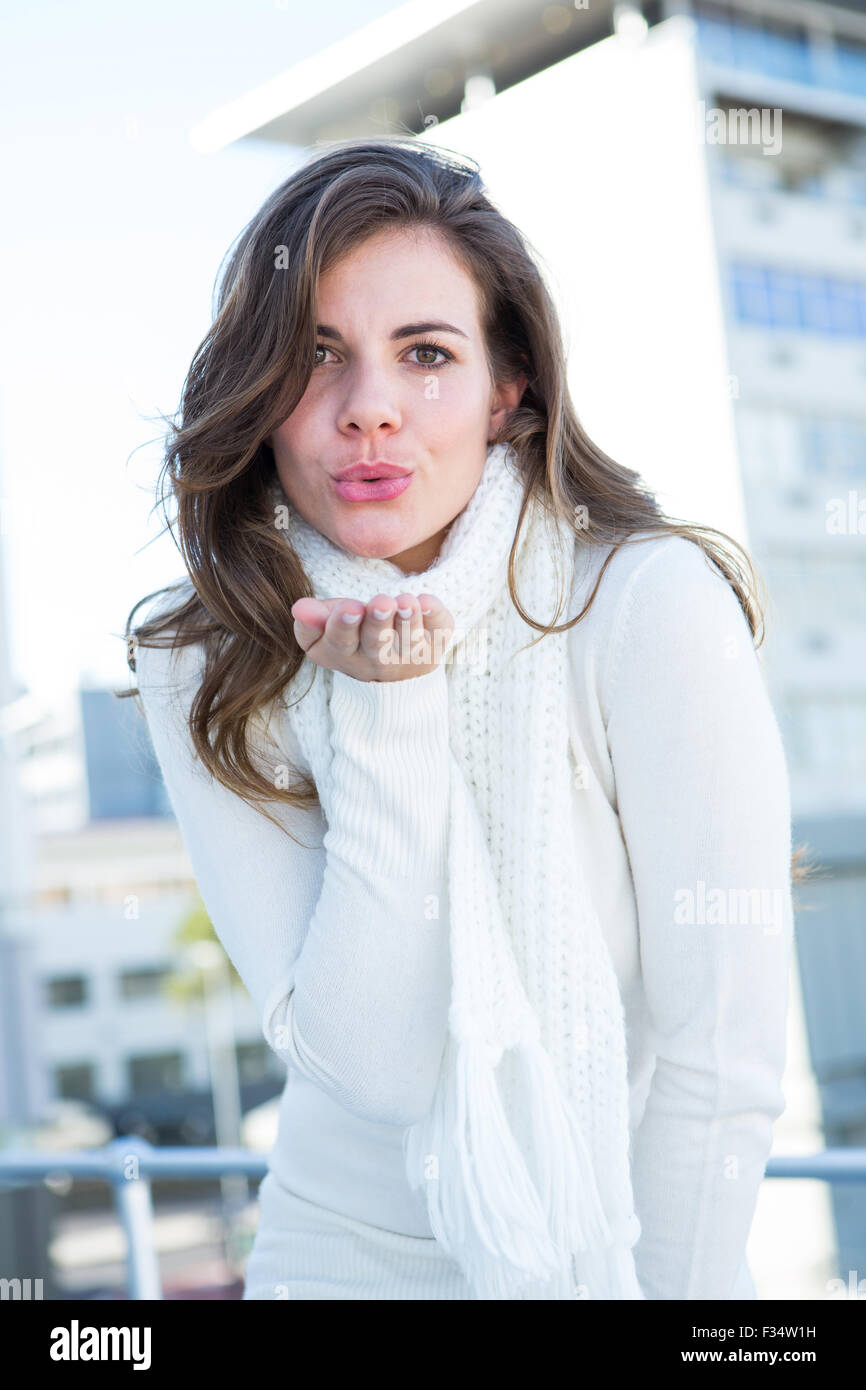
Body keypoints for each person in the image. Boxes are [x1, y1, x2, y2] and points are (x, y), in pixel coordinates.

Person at [123, 137, 802, 1301]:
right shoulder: (199, 652)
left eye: (424, 354)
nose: (367, 411)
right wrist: (388, 713)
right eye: (314, 354)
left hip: (634, 1265)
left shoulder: (639, 604)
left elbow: (721, 1059)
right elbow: (376, 1069)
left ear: (506, 389)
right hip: (334, 1265)